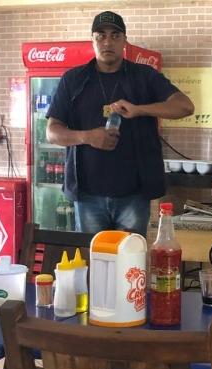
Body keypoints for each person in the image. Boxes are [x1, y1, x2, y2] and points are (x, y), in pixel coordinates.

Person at [46, 11, 194, 235]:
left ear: (125, 41)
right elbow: (52, 132)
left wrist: (140, 110)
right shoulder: (73, 79)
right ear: (92, 40)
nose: (107, 42)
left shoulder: (144, 76)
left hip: (134, 194)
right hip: (87, 195)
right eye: (101, 36)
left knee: (130, 256)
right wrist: (88, 137)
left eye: (115, 36)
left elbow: (185, 106)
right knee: (94, 255)